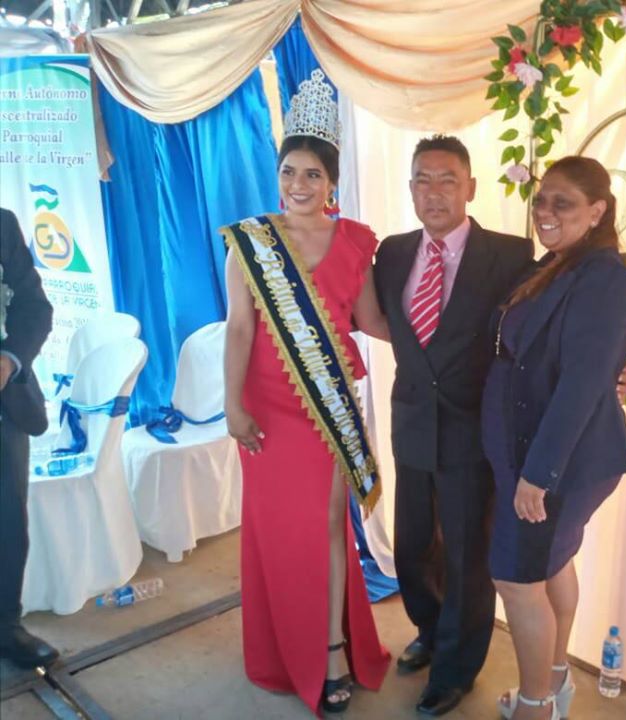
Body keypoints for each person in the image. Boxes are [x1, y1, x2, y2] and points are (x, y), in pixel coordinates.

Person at [222, 69, 390, 717]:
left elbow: (372, 322)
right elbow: (240, 329)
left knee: (325, 525)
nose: (299, 184)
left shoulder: (356, 242)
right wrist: (232, 404)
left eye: (313, 174)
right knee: (279, 530)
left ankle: (331, 649)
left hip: (327, 409)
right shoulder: (249, 243)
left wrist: (444, 332)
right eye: (289, 171)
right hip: (266, 410)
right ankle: (281, 644)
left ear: (332, 182)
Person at [374, 135, 534, 716]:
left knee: (468, 554)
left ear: (471, 187)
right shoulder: (392, 252)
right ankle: (429, 627)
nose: (434, 191)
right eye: (423, 179)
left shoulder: (510, 255)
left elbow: (536, 331)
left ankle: (456, 669)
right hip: (413, 420)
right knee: (414, 544)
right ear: (410, 188)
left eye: (447, 180)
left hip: (474, 427)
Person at [481, 156, 626, 720]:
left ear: (597, 211)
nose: (545, 212)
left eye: (563, 203)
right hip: (534, 453)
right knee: (550, 566)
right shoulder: (559, 264)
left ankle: (535, 707)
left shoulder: (603, 278)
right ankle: (555, 685)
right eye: (542, 200)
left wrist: (538, 474)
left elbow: (581, 383)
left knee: (516, 579)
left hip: (555, 462)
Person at [0, 208, 58, 668]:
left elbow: (35, 308)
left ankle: (6, 626)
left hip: (5, 405)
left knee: (7, 522)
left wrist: (8, 361)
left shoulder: (2, 224)